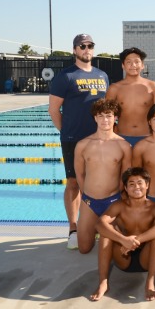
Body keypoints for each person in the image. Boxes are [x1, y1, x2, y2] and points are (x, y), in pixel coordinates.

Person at [48, 33, 109, 249]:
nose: (86, 49)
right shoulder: (65, 77)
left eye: (90, 45)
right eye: (82, 46)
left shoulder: (102, 75)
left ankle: (95, 224)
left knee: (97, 183)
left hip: (98, 140)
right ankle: (73, 227)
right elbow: (54, 110)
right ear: (74, 50)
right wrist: (67, 132)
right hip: (73, 139)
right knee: (74, 183)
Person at [90, 167, 155, 302]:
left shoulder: (154, 207)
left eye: (140, 183)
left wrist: (135, 240)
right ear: (126, 188)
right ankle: (103, 282)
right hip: (123, 257)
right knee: (106, 232)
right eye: (131, 184)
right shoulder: (119, 206)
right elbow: (99, 224)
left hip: (146, 259)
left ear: (147, 185)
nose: (136, 187)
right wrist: (123, 240)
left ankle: (150, 282)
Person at [74, 98, 132, 253]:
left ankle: (104, 230)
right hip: (89, 201)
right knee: (84, 249)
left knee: (121, 249)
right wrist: (85, 195)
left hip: (113, 201)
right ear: (95, 118)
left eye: (109, 116)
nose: (105, 120)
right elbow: (79, 174)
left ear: (115, 118)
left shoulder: (124, 145)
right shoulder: (83, 144)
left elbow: (125, 176)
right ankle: (99, 228)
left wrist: (117, 197)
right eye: (101, 116)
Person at [106, 47, 155, 148]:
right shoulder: (114, 88)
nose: (133, 65)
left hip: (147, 137)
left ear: (143, 65)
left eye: (137, 62)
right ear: (123, 65)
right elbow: (107, 115)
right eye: (129, 62)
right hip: (122, 137)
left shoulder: (153, 87)